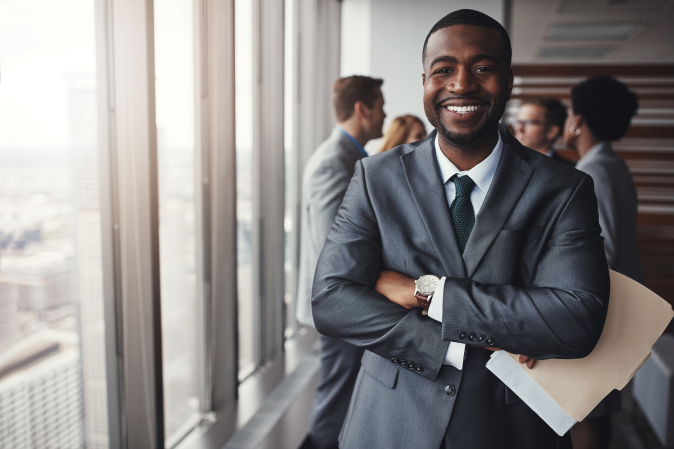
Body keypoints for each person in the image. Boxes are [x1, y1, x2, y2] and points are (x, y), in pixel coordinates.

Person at [311, 9, 609, 449]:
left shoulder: (564, 189)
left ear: (508, 81)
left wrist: (427, 293)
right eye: (444, 69)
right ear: (426, 82)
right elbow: (332, 299)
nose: (461, 83)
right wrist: (456, 345)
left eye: (482, 68)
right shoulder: (376, 178)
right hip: (389, 425)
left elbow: (577, 318)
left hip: (509, 429)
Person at [297, 75, 386, 449]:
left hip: (354, 304)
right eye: (381, 105)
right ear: (362, 109)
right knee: (337, 400)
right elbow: (332, 251)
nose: (386, 114)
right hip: (341, 307)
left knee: (349, 396)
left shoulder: (355, 157)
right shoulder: (333, 162)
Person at [563, 76, 644, 449]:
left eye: (568, 113)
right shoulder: (611, 166)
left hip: (600, 313)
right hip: (612, 308)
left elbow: (603, 253)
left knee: (588, 413)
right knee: (595, 410)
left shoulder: (595, 172)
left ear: (578, 120)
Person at [514, 97, 575, 166]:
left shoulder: (570, 172)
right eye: (518, 122)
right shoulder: (506, 164)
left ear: (551, 131)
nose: (519, 129)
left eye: (529, 122)